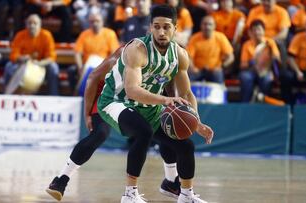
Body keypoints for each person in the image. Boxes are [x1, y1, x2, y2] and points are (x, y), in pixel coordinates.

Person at [97, 5, 214, 203]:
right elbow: (132, 90)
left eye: (166, 27)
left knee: (186, 145)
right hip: (117, 100)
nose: (161, 32)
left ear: (175, 29)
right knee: (144, 132)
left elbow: (186, 93)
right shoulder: (137, 49)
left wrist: (196, 122)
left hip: (149, 105)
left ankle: (185, 195)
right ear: (150, 27)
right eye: (157, 27)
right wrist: (166, 99)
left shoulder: (180, 55)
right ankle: (129, 195)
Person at [46, 45, 183, 201]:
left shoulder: (164, 59)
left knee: (163, 126)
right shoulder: (127, 52)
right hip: (108, 96)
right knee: (100, 134)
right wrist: (87, 113)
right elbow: (93, 77)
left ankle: (171, 182)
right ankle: (61, 180)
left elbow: (164, 84)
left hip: (134, 100)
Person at [3, 14, 59, 95]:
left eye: (35, 23)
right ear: (26, 25)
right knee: (9, 67)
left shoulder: (46, 35)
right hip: (23, 65)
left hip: (41, 65)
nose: (32, 26)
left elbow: (52, 57)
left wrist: (38, 63)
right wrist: (22, 58)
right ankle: (8, 95)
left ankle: (54, 96)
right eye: (29, 23)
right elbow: (13, 55)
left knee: (54, 68)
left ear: (40, 25)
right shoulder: (20, 35)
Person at [68, 12, 119, 94]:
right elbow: (77, 53)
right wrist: (80, 68)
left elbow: (114, 54)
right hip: (86, 66)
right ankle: (78, 91)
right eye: (92, 21)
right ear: (89, 23)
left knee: (92, 59)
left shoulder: (110, 34)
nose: (95, 24)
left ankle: (78, 90)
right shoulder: (84, 34)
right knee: (71, 70)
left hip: (103, 64)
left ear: (102, 22)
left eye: (97, 21)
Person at [280, 15, 306, 104]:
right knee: (285, 76)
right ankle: (288, 105)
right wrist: (297, 71)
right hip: (300, 72)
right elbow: (290, 57)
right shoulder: (298, 38)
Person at [239, 19, 281, 102]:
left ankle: (263, 103)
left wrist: (268, 54)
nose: (257, 32)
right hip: (251, 71)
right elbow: (243, 65)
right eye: (254, 30)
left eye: (259, 29)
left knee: (266, 79)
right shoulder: (246, 45)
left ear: (263, 31)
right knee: (245, 77)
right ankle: (245, 104)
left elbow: (277, 59)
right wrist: (254, 62)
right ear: (250, 32)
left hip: (266, 70)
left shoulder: (270, 42)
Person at [187, 15, 234, 84]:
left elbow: (231, 57)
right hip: (198, 70)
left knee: (218, 75)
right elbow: (188, 57)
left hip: (214, 71)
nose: (207, 27)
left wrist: (222, 66)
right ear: (201, 26)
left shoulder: (220, 37)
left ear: (214, 26)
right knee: (187, 81)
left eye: (210, 24)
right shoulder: (194, 38)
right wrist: (192, 68)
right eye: (205, 24)